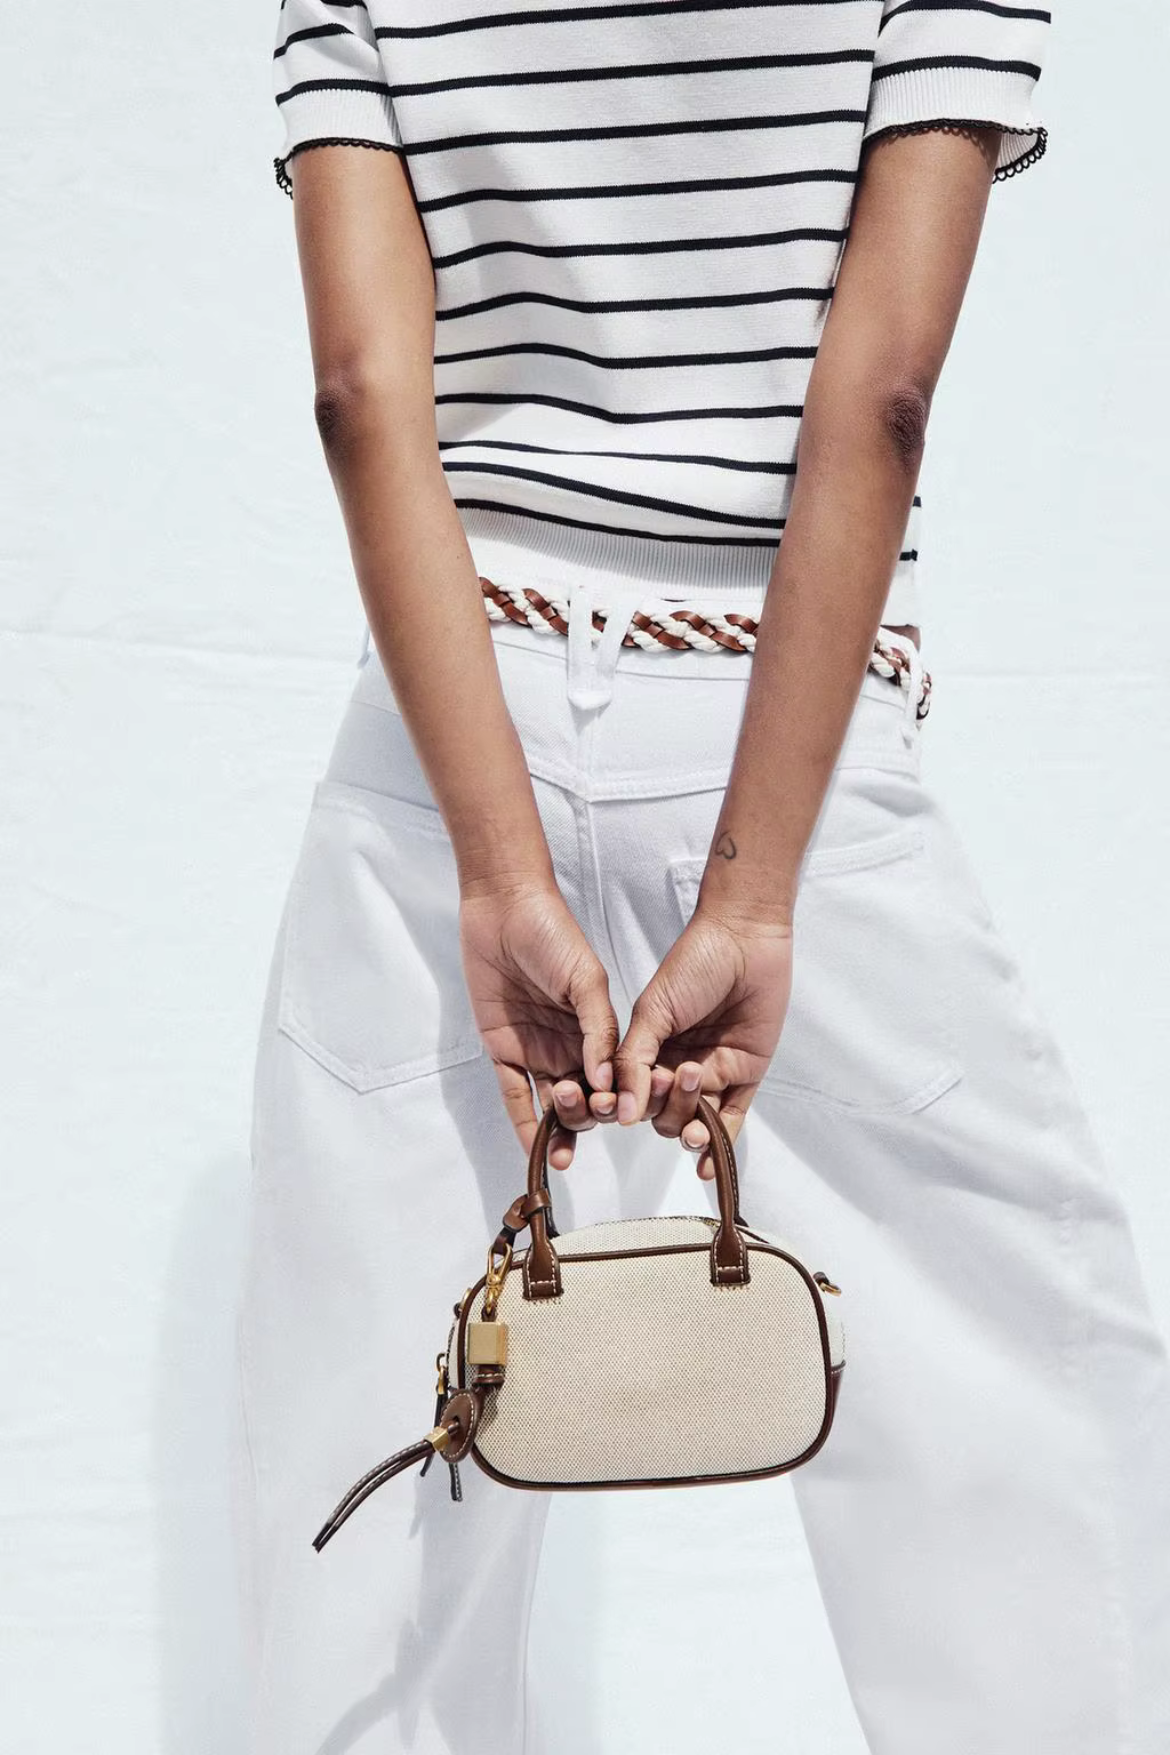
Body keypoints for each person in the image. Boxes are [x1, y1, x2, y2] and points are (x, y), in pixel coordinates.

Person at [232, 3, 1170, 1751]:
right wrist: (747, 895)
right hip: (779, 708)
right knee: (1013, 1438)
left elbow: (366, 395)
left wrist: (498, 860)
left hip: (445, 721)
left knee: (375, 1460)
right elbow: (875, 389)